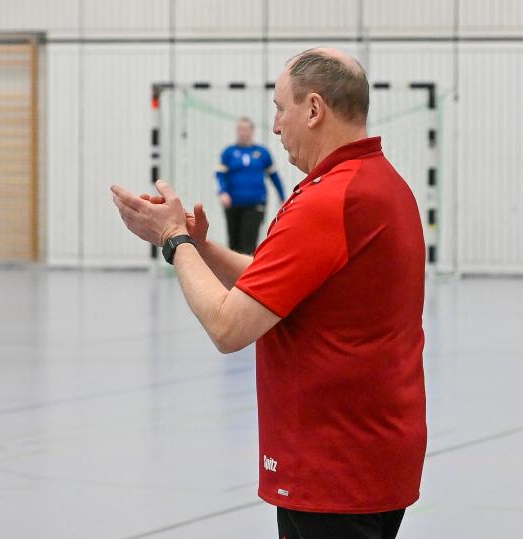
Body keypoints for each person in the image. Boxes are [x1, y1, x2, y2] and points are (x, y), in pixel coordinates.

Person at [112, 48, 426, 539]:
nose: (276, 126)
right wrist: (201, 246)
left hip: (333, 470)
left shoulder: (329, 200)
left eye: (281, 108)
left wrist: (173, 243)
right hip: (373, 460)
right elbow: (274, 277)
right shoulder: (381, 183)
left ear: (315, 109)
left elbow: (227, 325)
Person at [215, 117, 286, 254]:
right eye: (240, 130)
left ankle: (247, 272)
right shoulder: (229, 152)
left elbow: (274, 176)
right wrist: (223, 192)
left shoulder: (262, 153)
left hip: (255, 203)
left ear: (252, 131)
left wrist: (282, 197)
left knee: (248, 241)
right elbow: (220, 175)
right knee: (233, 242)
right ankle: (233, 274)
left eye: (246, 129)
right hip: (233, 203)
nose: (243, 133)